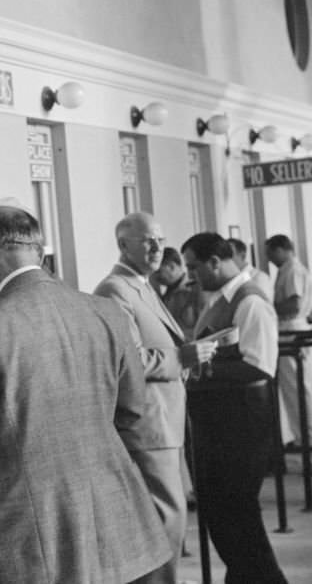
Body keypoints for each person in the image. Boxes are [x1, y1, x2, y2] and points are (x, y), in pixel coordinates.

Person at [0, 205, 171, 584]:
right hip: (115, 524)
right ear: (37, 250)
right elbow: (132, 412)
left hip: (24, 541)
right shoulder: (104, 313)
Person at [94, 213, 214, 584]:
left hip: (167, 420)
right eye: (147, 240)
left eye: (160, 240)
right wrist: (183, 357)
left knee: (170, 519)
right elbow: (128, 359)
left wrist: (190, 355)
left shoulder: (143, 286)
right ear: (123, 245)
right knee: (165, 519)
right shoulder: (115, 289)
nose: (157, 247)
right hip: (147, 423)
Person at [182, 233, 288, 584]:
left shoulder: (251, 302)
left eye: (194, 266)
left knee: (238, 517)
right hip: (221, 426)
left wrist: (197, 371)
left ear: (215, 261)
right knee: (224, 518)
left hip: (240, 427)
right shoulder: (221, 300)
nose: (191, 274)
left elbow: (260, 366)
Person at [267, 233, 312, 447]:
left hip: (291, 330)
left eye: (270, 253)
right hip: (292, 328)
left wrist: (267, 309)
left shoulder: (292, 270)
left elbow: (293, 305)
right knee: (295, 389)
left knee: (298, 388)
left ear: (281, 249)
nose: (269, 259)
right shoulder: (289, 269)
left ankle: (308, 435)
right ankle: (303, 434)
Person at [152, 246, 204, 340]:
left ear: (171, 266)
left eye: (158, 272)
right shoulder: (164, 297)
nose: (155, 277)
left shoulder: (197, 290)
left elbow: (205, 327)